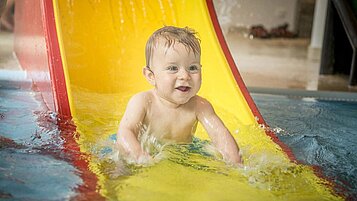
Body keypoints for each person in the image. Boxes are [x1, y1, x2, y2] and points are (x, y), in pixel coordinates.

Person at [116, 26, 242, 166]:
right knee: (118, 168)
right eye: (173, 68)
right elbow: (125, 131)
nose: (185, 76)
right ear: (151, 76)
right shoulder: (143, 102)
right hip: (144, 154)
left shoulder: (199, 106)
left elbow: (220, 135)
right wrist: (140, 157)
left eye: (193, 68)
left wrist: (235, 163)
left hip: (181, 155)